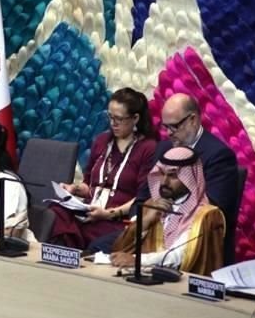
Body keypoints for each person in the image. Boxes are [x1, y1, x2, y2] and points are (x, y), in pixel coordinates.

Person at [89, 94, 239, 263]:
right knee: (98, 248)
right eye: (165, 126)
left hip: (189, 238)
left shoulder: (218, 155)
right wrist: (141, 223)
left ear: (193, 120)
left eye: (174, 127)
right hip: (151, 229)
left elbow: (211, 210)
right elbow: (143, 197)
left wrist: (166, 212)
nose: (168, 133)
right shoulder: (164, 148)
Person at [48, 88, 158, 249]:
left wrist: (108, 214)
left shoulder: (148, 148)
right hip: (91, 212)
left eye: (119, 119)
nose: (113, 123)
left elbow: (143, 198)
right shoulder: (102, 141)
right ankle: (69, 252)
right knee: (56, 210)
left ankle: (74, 250)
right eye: (110, 117)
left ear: (135, 118)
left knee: (84, 234)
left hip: (116, 220)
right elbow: (89, 185)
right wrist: (73, 189)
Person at [108, 146, 225, 274]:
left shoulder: (207, 215)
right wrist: (146, 221)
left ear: (190, 178)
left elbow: (180, 256)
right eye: (161, 174)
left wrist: (137, 260)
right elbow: (120, 248)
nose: (164, 182)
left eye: (172, 176)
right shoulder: (152, 205)